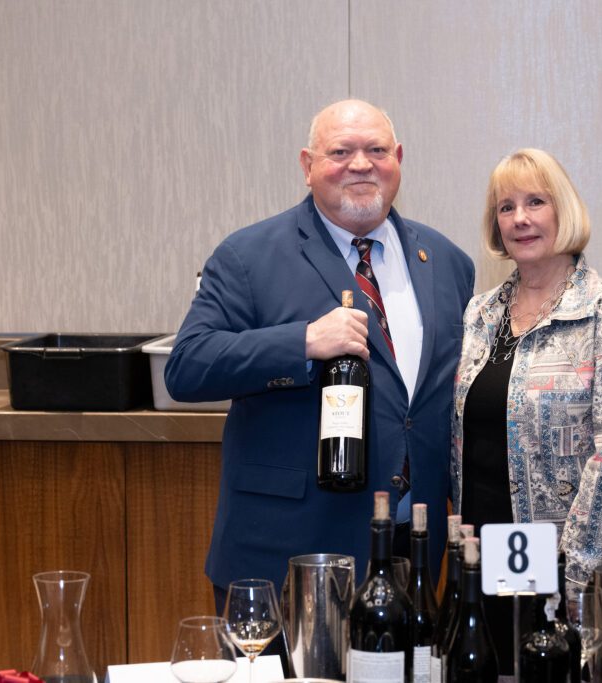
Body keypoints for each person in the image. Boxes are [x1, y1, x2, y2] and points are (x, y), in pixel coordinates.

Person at [165, 99, 475, 615]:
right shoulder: (248, 256)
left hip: (408, 549)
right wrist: (302, 341)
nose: (360, 164)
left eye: (376, 149)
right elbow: (187, 366)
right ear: (308, 166)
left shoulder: (447, 262)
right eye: (341, 151)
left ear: (398, 158)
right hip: (285, 552)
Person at [451, 148, 602, 668]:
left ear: (562, 211)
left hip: (571, 550)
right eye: (506, 207)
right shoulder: (482, 312)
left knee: (557, 669)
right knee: (498, 666)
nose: (519, 218)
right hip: (489, 546)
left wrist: (579, 572)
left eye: (535, 202)